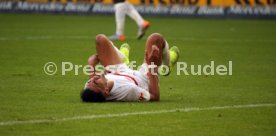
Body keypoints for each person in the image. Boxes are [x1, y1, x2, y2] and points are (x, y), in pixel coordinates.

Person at [81, 33, 180, 102]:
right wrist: (151, 68)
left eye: (89, 81)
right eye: (94, 82)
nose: (92, 78)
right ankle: (167, 66)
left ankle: (123, 60)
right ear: (106, 91)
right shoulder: (128, 91)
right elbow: (155, 97)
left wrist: (91, 65)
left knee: (100, 39)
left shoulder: (89, 89)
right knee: (156, 39)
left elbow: (92, 84)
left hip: (116, 72)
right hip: (143, 78)